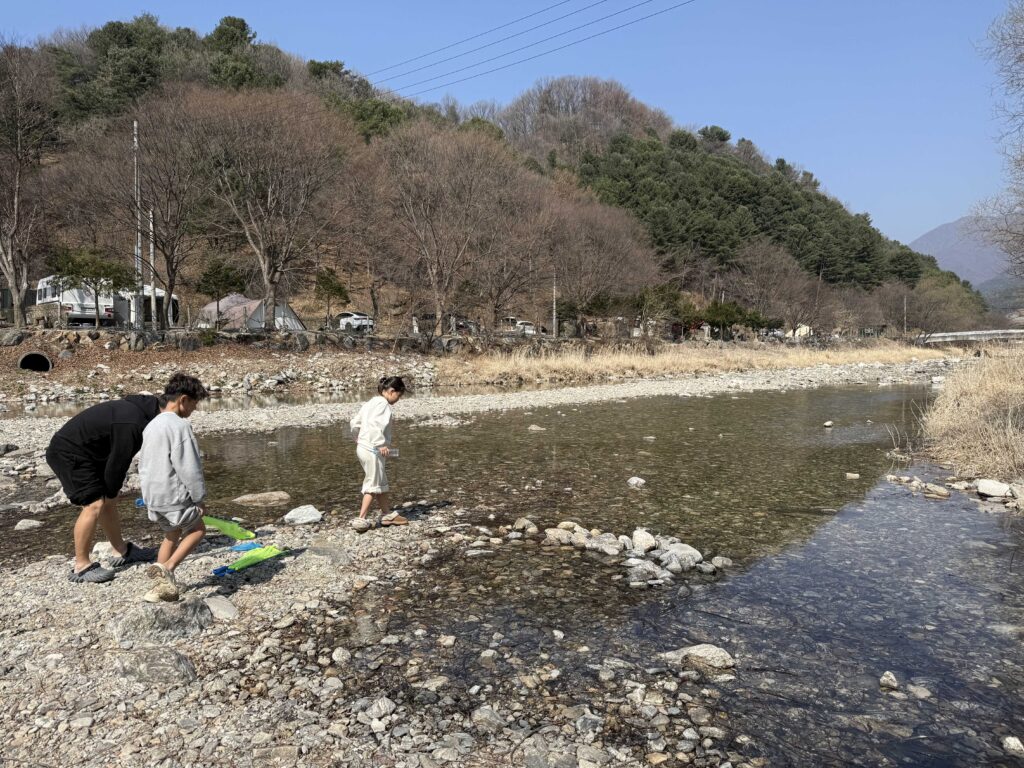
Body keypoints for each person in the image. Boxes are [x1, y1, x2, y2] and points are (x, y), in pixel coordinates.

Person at [46, 391, 162, 583]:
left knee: (109, 500)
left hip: (89, 453)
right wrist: (112, 488)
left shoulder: (140, 411)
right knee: (94, 504)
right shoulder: (133, 423)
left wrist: (112, 492)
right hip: (69, 454)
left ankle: (121, 551)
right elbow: (119, 463)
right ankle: (81, 567)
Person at [138, 373, 210, 603]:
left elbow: (144, 463)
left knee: (171, 534)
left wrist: (147, 496)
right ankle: (167, 569)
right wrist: (199, 498)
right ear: (183, 400)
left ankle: (159, 586)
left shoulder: (152, 425)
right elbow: (189, 467)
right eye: (194, 404)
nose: (194, 409)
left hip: (153, 495)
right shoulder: (179, 426)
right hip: (173, 495)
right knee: (197, 530)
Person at [350, 376, 408, 529]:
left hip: (363, 447)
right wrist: (381, 443)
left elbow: (355, 422)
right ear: (391, 391)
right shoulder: (383, 404)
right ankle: (361, 519)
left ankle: (387, 514)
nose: (398, 399)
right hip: (373, 449)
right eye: (399, 395)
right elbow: (376, 424)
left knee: (380, 480)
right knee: (373, 483)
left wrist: (356, 436)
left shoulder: (370, 402)